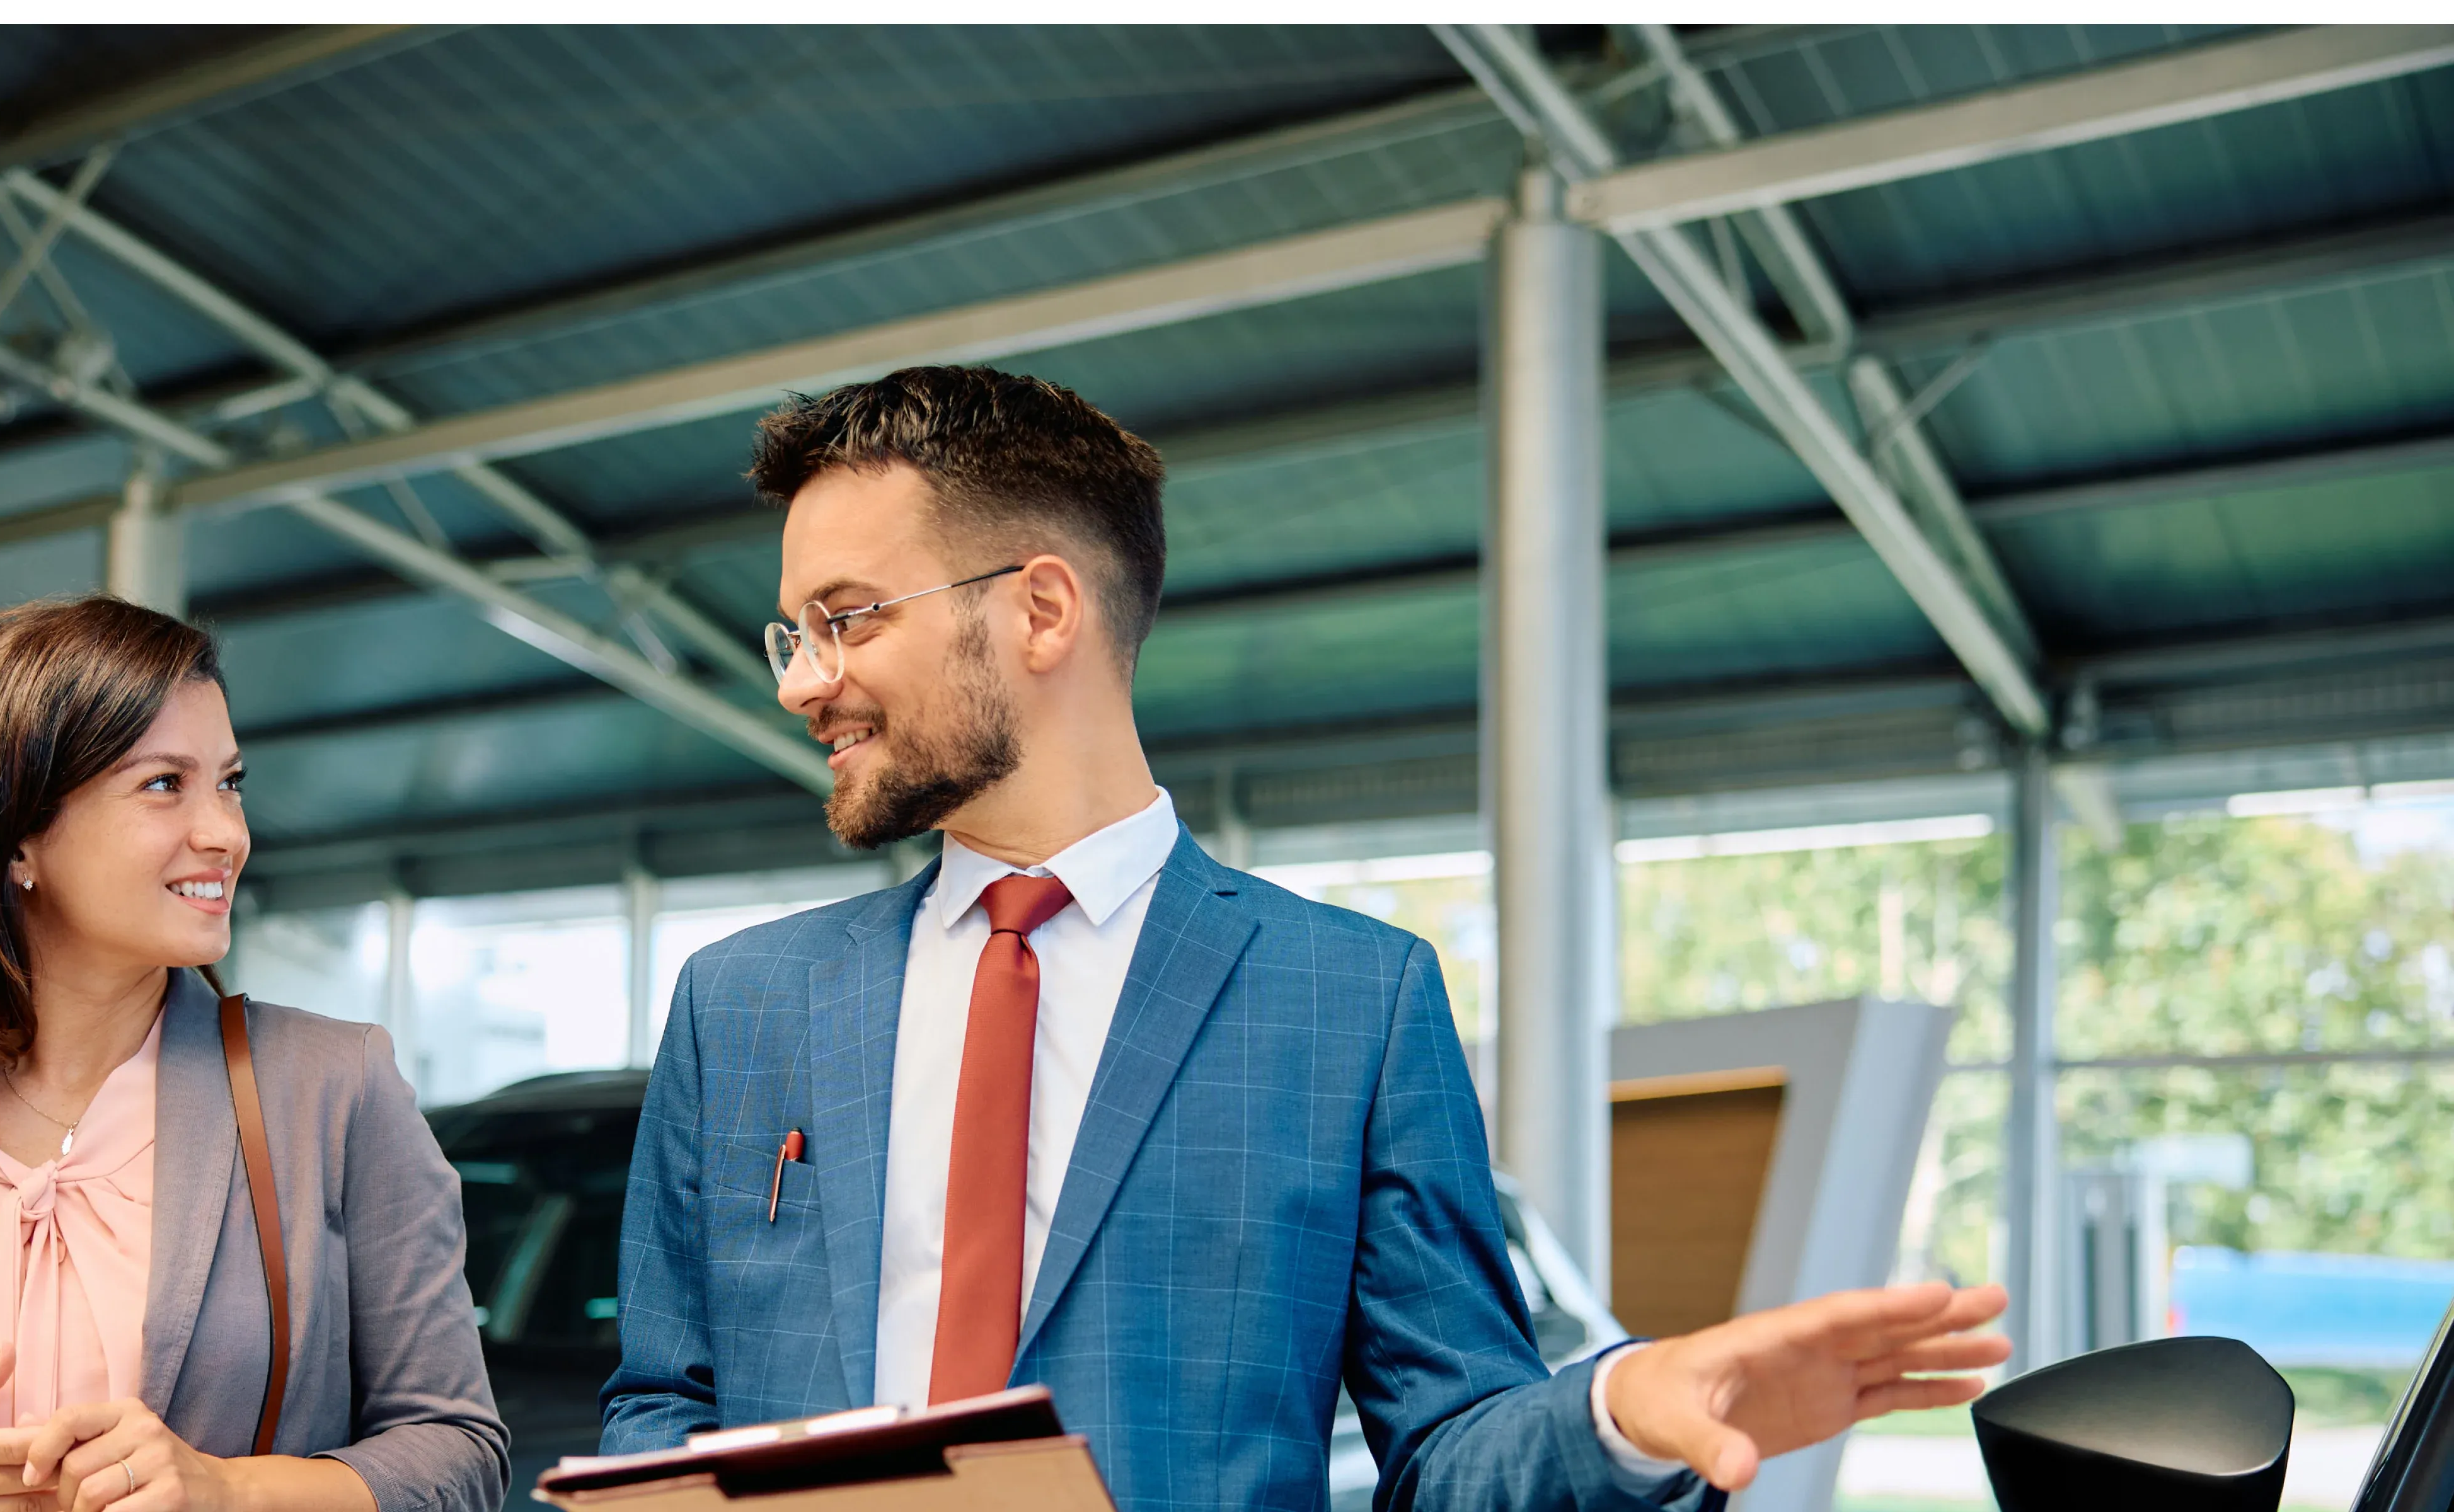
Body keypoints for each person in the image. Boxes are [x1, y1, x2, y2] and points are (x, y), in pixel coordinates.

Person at [599, 367, 2009, 1510]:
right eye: (793, 634)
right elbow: (664, 1404)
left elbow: (1447, 1446)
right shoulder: (745, 1005)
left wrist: (1615, 1416)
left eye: (844, 620)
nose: (806, 684)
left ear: (1039, 609)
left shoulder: (1351, 1004)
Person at [0, 597, 506, 1512]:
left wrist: (228, 1493)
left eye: (230, 783)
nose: (228, 834)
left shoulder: (334, 1089)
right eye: (166, 784)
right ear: (17, 836)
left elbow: (459, 1454)